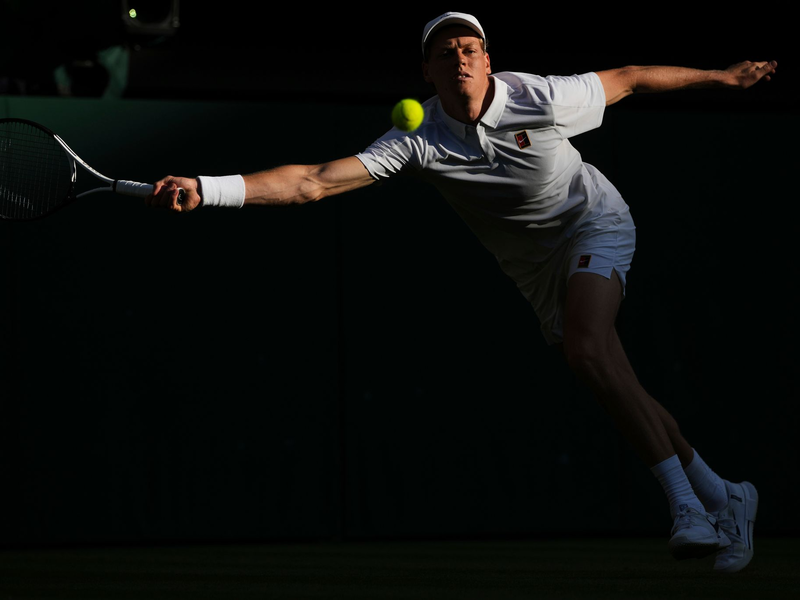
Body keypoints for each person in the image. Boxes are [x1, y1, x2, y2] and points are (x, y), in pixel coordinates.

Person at [148, 12, 775, 572]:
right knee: (613, 375)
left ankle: (687, 510)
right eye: (445, 51)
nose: (461, 58)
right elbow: (313, 181)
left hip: (594, 223)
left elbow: (632, 76)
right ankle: (726, 495)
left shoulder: (544, 97)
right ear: (427, 69)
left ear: (488, 60)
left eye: (470, 47)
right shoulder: (417, 139)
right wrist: (211, 186)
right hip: (532, 270)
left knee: (588, 350)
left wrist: (723, 78)